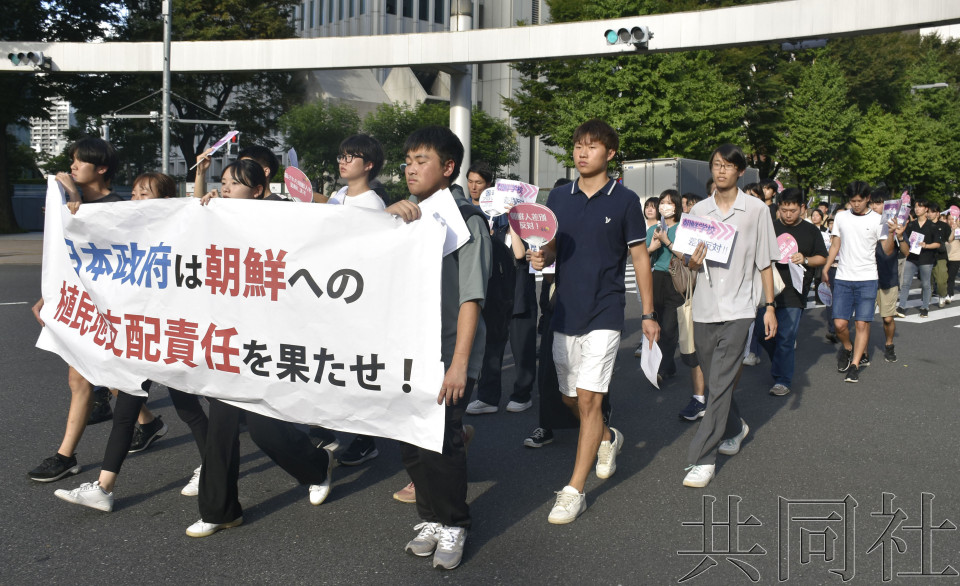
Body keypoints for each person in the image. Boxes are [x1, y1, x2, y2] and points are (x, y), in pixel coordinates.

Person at [186, 159, 336, 539]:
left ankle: (316, 466)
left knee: (264, 430)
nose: (225, 189)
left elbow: (334, 216)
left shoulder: (280, 215)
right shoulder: (215, 217)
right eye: (223, 182)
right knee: (221, 427)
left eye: (234, 184)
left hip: (272, 341)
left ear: (256, 190)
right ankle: (220, 510)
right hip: (231, 338)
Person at [53, 173, 212, 511]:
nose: (137, 198)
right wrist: (74, 210)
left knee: (188, 409)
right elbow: (91, 244)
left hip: (169, 334)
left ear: (166, 201)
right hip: (138, 335)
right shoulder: (125, 230)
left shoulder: (180, 228)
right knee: (126, 412)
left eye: (146, 193)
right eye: (136, 192)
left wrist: (199, 186)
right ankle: (104, 487)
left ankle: (214, 466)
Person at [530, 119, 659, 524]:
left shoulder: (625, 200)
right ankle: (607, 437)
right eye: (578, 146)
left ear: (610, 153)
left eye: (592, 146)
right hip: (565, 310)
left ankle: (573, 490)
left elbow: (640, 258)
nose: (582, 153)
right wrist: (542, 257)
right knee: (569, 397)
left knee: (589, 399)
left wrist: (649, 314)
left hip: (605, 310)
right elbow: (551, 249)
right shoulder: (559, 196)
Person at [384, 126, 491, 570]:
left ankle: (454, 522)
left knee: (443, 441)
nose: (410, 168)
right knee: (411, 439)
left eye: (421, 160)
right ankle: (429, 516)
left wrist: (459, 364)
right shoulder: (408, 216)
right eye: (408, 160)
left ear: (448, 168)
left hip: (448, 352)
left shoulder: (466, 221)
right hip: (407, 349)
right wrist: (385, 220)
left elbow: (472, 297)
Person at [28, 137, 128, 483]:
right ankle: (67, 454)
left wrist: (72, 199)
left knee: (105, 376)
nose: (72, 167)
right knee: (85, 376)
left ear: (101, 168)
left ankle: (67, 456)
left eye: (79, 161)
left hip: (113, 309)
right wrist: (49, 296)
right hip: (83, 306)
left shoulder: (118, 207)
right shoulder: (74, 201)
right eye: (71, 161)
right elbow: (65, 260)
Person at [681, 143, 779, 489]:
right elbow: (684, 261)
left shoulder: (755, 210)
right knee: (715, 379)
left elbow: (765, 260)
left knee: (719, 383)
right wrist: (689, 262)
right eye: (716, 165)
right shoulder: (700, 211)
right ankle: (736, 427)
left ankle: (703, 457)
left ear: (740, 171)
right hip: (705, 308)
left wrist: (769, 306)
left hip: (740, 307)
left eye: (727, 165)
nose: (720, 170)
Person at [524, 178, 614, 449]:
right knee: (553, 371)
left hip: (594, 307)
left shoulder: (594, 220)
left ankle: (600, 425)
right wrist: (542, 258)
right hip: (556, 304)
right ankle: (548, 424)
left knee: (591, 375)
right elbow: (544, 261)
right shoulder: (548, 226)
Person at [323, 135, 391, 466]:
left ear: (369, 165)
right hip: (332, 293)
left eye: (351, 157)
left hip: (357, 297)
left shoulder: (373, 204)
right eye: (342, 155)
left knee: (359, 367)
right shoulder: (339, 196)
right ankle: (332, 428)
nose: (343, 160)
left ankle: (366, 438)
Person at [754, 188, 828, 396]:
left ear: (802, 208)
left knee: (786, 336)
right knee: (762, 334)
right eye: (784, 210)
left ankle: (782, 380)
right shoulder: (770, 227)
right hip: (767, 289)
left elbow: (821, 257)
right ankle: (780, 363)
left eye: (793, 210)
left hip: (795, 291)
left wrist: (804, 259)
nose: (787, 214)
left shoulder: (811, 231)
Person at [822, 182, 896, 384]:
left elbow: (887, 250)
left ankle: (854, 365)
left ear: (867, 198)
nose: (855, 204)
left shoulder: (878, 220)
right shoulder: (841, 217)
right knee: (839, 324)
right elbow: (836, 243)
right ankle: (848, 347)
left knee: (862, 323)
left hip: (868, 278)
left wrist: (892, 233)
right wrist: (827, 266)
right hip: (844, 276)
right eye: (852, 201)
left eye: (859, 200)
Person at [645, 190, 707, 420]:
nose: (665, 206)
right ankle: (667, 365)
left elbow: (688, 257)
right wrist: (652, 246)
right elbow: (643, 254)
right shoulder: (654, 228)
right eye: (662, 203)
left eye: (669, 203)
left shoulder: (683, 228)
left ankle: (663, 367)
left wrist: (667, 242)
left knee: (670, 327)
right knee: (657, 321)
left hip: (675, 280)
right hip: (656, 280)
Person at [868, 190, 900, 363]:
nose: (874, 206)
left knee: (887, 318)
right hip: (867, 276)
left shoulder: (896, 224)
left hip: (888, 277)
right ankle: (862, 350)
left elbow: (906, 251)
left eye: (878, 203)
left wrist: (898, 235)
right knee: (863, 318)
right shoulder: (865, 222)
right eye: (872, 203)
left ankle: (889, 345)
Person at [895, 199, 941, 318]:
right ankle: (902, 306)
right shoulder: (911, 224)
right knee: (905, 283)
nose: (917, 209)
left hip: (926, 258)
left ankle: (925, 307)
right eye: (915, 207)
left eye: (920, 207)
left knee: (926, 284)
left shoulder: (932, 226)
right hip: (911, 257)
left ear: (926, 209)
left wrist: (927, 245)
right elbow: (905, 240)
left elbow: (938, 244)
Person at [928, 203, 953, 306]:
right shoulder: (924, 224)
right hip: (926, 256)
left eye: (932, 212)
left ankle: (942, 295)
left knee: (941, 280)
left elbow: (950, 239)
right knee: (927, 281)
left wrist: (954, 230)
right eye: (928, 212)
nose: (929, 214)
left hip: (940, 256)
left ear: (937, 213)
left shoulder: (944, 226)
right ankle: (926, 299)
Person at [945, 213, 960, 304]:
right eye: (949, 219)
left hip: (955, 257)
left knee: (951, 277)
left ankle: (949, 294)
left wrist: (955, 230)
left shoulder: (958, 230)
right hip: (944, 256)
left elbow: (950, 240)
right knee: (943, 276)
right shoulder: (944, 229)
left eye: (953, 219)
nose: (951, 221)